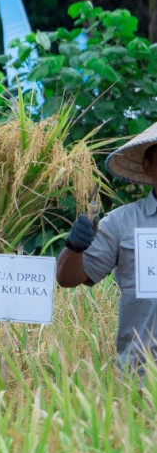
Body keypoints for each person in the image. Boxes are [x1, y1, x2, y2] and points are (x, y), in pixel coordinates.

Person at [56, 121, 157, 373]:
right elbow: (68, 278)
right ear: (148, 166)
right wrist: (75, 246)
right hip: (141, 375)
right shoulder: (122, 222)